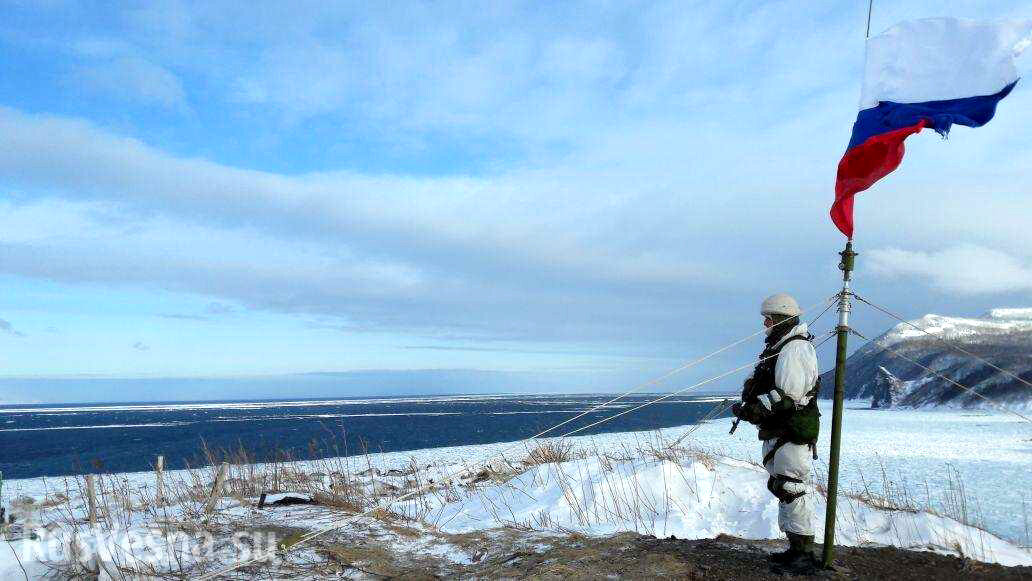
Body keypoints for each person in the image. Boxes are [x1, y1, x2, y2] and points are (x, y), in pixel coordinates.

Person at [731, 292, 821, 571]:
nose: (765, 324)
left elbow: (788, 395)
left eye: (768, 319)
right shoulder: (783, 346)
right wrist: (752, 407)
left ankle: (803, 555)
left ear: (780, 319)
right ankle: (795, 548)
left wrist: (755, 410)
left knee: (791, 487)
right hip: (781, 429)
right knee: (784, 486)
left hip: (791, 429)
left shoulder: (794, 349)